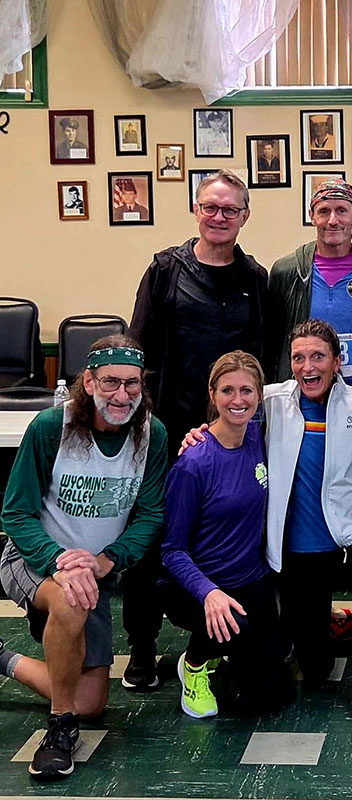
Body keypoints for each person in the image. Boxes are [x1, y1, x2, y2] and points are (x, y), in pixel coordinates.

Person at [183, 320, 352, 717]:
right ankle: (328, 622)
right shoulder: (269, 402)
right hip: (293, 548)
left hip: (347, 532)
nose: (307, 366)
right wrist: (200, 435)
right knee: (315, 668)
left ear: (337, 361)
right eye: (298, 357)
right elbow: (232, 426)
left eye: (318, 356)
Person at [126, 169, 270, 691]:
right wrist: (155, 428)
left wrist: (231, 424)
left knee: (229, 532)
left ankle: (220, 633)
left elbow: (260, 358)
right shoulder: (165, 269)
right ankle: (142, 648)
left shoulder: (255, 278)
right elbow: (139, 352)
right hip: (168, 430)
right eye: (211, 207)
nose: (219, 217)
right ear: (196, 210)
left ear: (245, 216)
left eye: (230, 209)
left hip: (230, 429)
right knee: (152, 538)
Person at [0, 336, 167, 781]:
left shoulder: (153, 433)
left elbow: (151, 514)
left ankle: (3, 660)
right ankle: (58, 730)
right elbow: (15, 513)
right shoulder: (51, 428)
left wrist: (109, 560)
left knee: (92, 702)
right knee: (71, 600)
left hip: (96, 571)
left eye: (132, 384)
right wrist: (60, 562)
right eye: (110, 382)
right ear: (88, 382)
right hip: (33, 559)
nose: (122, 394)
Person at [161, 351, 283, 718]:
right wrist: (209, 593)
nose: (238, 400)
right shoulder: (193, 463)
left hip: (250, 580)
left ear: (259, 396)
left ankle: (225, 651)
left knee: (268, 699)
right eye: (227, 390)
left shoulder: (258, 437)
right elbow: (172, 551)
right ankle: (194, 664)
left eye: (247, 390)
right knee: (234, 626)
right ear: (212, 395)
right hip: (197, 587)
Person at [268, 178, 352, 423]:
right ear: (311, 215)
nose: (333, 220)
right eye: (324, 211)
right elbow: (273, 341)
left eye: (341, 210)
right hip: (298, 407)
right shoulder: (286, 273)